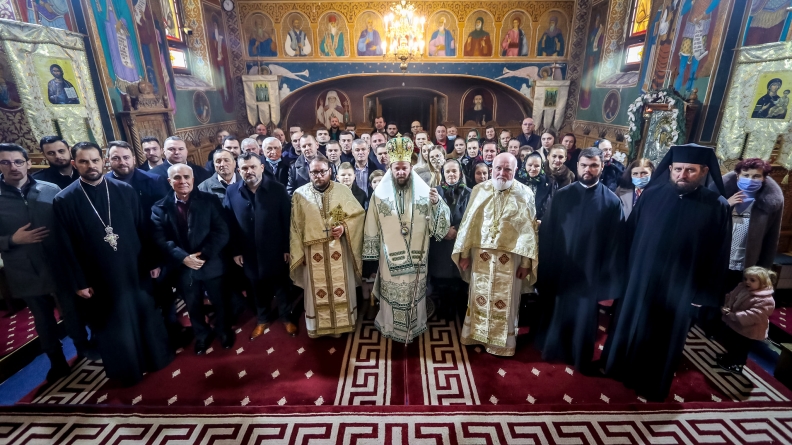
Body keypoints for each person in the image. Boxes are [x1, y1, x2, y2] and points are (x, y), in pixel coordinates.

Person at [602, 144, 732, 401]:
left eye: (690, 171)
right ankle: (616, 368)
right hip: (640, 278)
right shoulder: (651, 195)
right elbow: (628, 236)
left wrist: (703, 295)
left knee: (663, 337)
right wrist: (619, 272)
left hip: (679, 288)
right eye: (678, 169)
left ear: (704, 171)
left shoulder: (717, 206)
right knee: (629, 323)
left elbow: (719, 255)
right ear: (670, 169)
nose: (683, 175)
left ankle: (650, 383)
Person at [53, 142, 172, 386]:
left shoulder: (123, 190)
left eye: (95, 160)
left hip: (134, 268)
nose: (91, 165)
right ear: (75, 164)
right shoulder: (64, 199)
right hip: (98, 276)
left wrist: (152, 261)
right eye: (84, 161)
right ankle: (127, 370)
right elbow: (64, 246)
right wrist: (79, 282)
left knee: (145, 315)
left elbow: (143, 228)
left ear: (103, 161)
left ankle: (155, 359)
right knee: (112, 324)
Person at [0, 143, 92, 382]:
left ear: (28, 163)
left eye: (18, 161)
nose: (13, 167)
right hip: (24, 269)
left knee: (72, 311)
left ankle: (83, 348)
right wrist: (12, 239)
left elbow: (68, 225)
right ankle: (56, 361)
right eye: (6, 162)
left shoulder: (49, 189)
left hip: (57, 264)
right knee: (42, 319)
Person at [538, 147, 625, 372]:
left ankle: (577, 355)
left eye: (594, 165)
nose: (588, 170)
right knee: (556, 309)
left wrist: (606, 279)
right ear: (577, 166)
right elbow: (547, 232)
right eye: (584, 165)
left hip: (590, 272)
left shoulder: (612, 202)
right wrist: (545, 267)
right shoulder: (562, 195)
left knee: (584, 316)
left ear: (601, 167)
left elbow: (615, 245)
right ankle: (553, 349)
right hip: (561, 267)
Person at [364, 137, 451, 343]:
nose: (401, 172)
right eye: (397, 169)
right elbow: (371, 224)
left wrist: (437, 203)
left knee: (413, 293)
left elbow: (440, 224)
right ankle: (389, 326)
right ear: (390, 168)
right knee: (392, 295)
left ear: (410, 167)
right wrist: (372, 256)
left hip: (417, 257)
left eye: (405, 168)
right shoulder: (380, 193)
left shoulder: (425, 191)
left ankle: (414, 326)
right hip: (389, 258)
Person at [453, 153, 538, 356]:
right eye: (498, 168)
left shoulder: (525, 193)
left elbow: (529, 232)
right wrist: (464, 253)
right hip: (480, 256)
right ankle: (475, 335)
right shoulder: (479, 190)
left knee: (506, 302)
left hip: (510, 260)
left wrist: (526, 263)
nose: (502, 173)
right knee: (477, 297)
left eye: (507, 169)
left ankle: (502, 344)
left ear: (515, 170)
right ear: (492, 168)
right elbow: (467, 225)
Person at [151, 164, 233, 355]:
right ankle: (202, 335)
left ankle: (224, 330)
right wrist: (184, 258)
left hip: (210, 261)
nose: (183, 181)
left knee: (220, 301)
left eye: (186, 177)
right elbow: (160, 239)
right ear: (169, 181)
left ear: (193, 179)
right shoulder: (159, 207)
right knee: (193, 304)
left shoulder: (210, 200)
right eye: (177, 178)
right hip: (183, 266)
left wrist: (203, 255)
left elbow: (221, 231)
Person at [289, 154, 365, 338]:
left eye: (322, 171)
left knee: (340, 287)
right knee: (317, 291)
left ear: (330, 171)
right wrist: (299, 253)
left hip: (339, 249)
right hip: (312, 252)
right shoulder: (300, 195)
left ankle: (341, 326)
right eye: (314, 172)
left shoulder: (342, 191)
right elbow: (295, 227)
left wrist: (344, 227)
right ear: (309, 172)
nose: (318, 175)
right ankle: (317, 328)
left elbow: (358, 215)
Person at [225, 152, 297, 338]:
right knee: (256, 288)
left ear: (262, 168)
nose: (249, 171)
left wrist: (287, 248)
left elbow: (287, 220)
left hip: (275, 249)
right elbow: (229, 223)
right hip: (248, 251)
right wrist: (235, 251)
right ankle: (263, 319)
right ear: (239, 170)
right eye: (245, 168)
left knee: (281, 287)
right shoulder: (232, 191)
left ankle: (286, 318)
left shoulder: (277, 189)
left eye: (253, 167)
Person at [722, 158, 783, 290]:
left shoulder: (770, 204)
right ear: (737, 175)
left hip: (746, 265)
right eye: (746, 175)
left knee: (738, 302)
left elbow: (771, 239)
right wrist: (725, 205)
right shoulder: (722, 197)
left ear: (764, 178)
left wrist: (763, 269)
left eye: (756, 176)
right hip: (719, 261)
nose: (750, 180)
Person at [428, 159, 471, 316]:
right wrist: (443, 231)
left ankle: (459, 311)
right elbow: (427, 217)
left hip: (461, 245)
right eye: (448, 171)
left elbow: (474, 219)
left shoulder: (470, 193)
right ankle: (443, 310)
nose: (451, 174)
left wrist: (457, 231)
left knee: (459, 281)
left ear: (460, 173)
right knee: (442, 281)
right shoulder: (434, 192)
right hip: (440, 245)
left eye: (454, 171)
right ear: (443, 174)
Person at [716, 266, 776, 374]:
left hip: (749, 330)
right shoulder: (742, 287)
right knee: (731, 342)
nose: (747, 282)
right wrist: (726, 305)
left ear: (763, 283)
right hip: (736, 324)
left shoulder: (766, 300)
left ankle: (737, 364)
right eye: (746, 279)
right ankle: (729, 357)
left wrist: (734, 315)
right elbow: (731, 296)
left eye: (752, 280)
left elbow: (755, 315)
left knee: (741, 348)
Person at [105, 141, 168, 214]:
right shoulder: (103, 182)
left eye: (126, 157)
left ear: (133, 159)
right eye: (116, 158)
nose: (122, 162)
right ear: (108, 160)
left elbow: (163, 212)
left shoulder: (153, 180)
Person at [517, 151, 551, 220]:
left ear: (541, 166)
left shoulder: (547, 183)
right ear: (525, 164)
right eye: (530, 165)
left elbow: (548, 207)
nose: (533, 169)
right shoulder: (516, 181)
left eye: (537, 166)